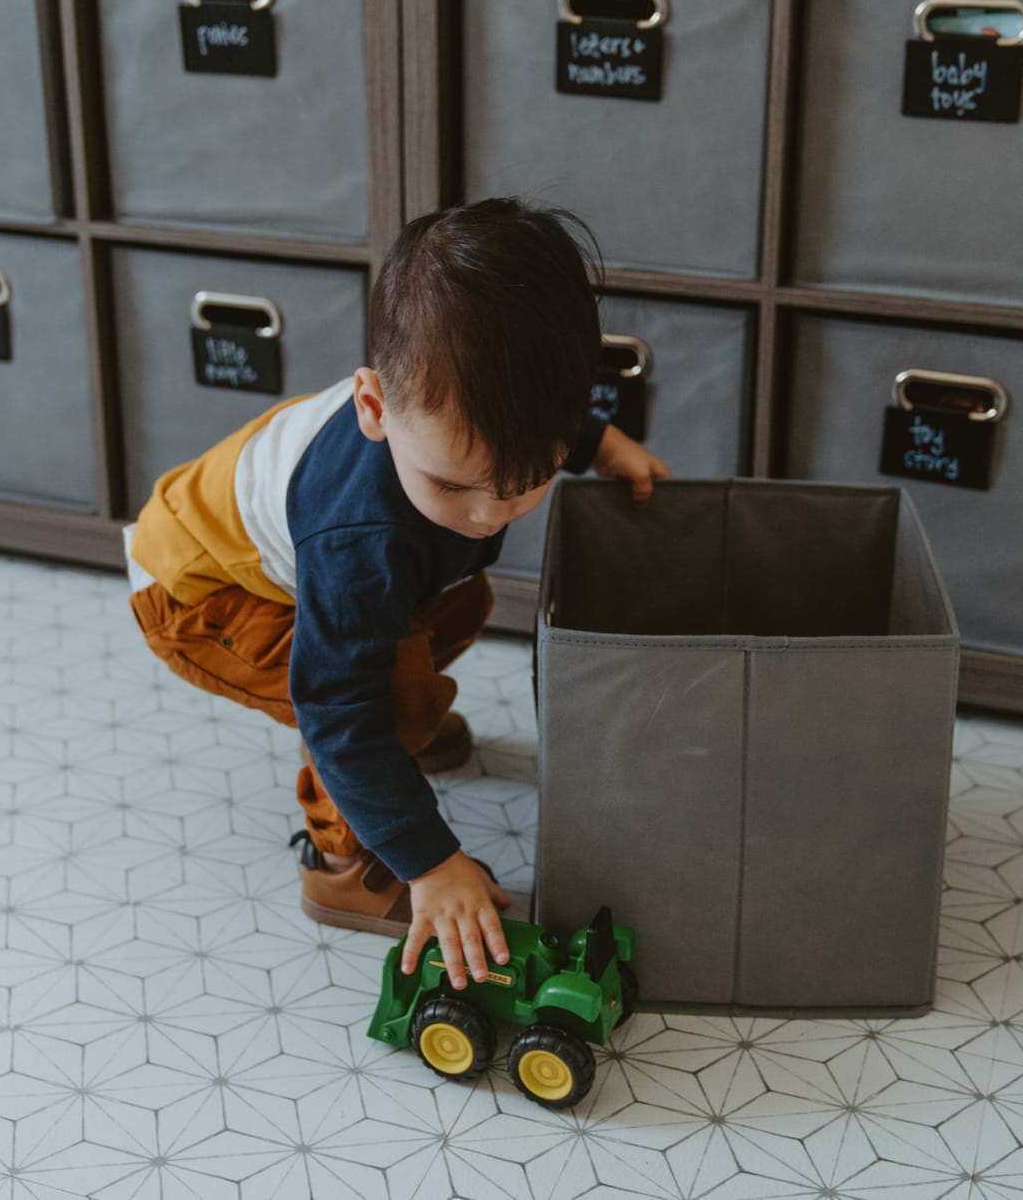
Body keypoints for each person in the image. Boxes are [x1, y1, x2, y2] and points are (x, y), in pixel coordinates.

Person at [124, 198, 670, 993]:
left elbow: (538, 416)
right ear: (374, 408)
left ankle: (395, 750)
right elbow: (336, 705)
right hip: (193, 595)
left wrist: (596, 443)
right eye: (456, 484)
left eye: (527, 481)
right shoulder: (357, 539)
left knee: (460, 604)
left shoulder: (477, 434)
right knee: (379, 697)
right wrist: (433, 860)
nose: (490, 513)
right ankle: (345, 858)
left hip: (309, 567)